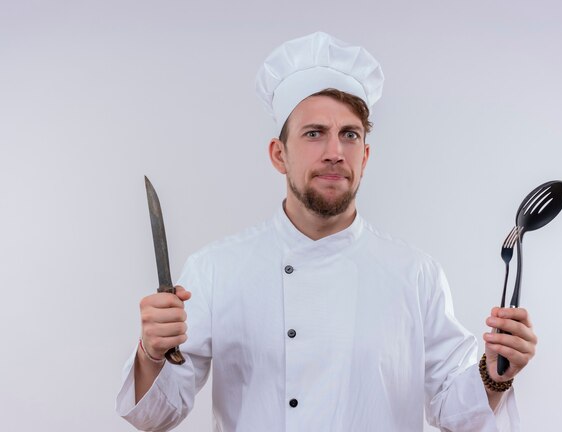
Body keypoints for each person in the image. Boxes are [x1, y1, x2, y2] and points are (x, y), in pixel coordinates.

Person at [116, 32, 536, 432]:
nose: (335, 152)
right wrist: (151, 353)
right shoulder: (215, 269)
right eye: (314, 133)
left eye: (349, 135)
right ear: (279, 154)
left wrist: (495, 372)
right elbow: (156, 417)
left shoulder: (415, 274)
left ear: (366, 155)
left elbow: (453, 407)